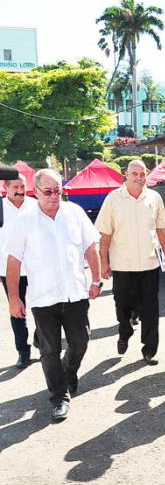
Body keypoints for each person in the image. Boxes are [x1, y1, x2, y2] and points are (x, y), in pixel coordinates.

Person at [4, 169, 101, 421]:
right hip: (43, 297)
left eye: (59, 190)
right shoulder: (25, 220)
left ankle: (68, 373)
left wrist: (97, 279)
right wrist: (14, 299)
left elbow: (91, 245)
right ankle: (59, 397)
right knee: (50, 350)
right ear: (35, 192)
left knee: (81, 342)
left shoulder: (75, 213)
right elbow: (13, 261)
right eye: (48, 191)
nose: (54, 196)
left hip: (75, 292)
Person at [95, 160, 165, 366]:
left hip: (149, 264)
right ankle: (124, 331)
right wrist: (104, 262)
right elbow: (105, 234)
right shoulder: (113, 199)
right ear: (125, 175)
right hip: (122, 266)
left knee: (150, 310)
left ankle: (149, 350)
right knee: (122, 306)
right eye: (134, 173)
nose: (139, 177)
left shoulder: (154, 198)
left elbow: (161, 229)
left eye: (142, 174)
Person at [0, 175, 38, 369]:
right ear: (5, 186)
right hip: (8, 269)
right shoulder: (0, 208)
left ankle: (41, 338)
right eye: (16, 186)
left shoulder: (34, 205)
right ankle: (23, 351)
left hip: (35, 266)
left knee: (44, 305)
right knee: (17, 311)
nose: (21, 190)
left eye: (23, 186)